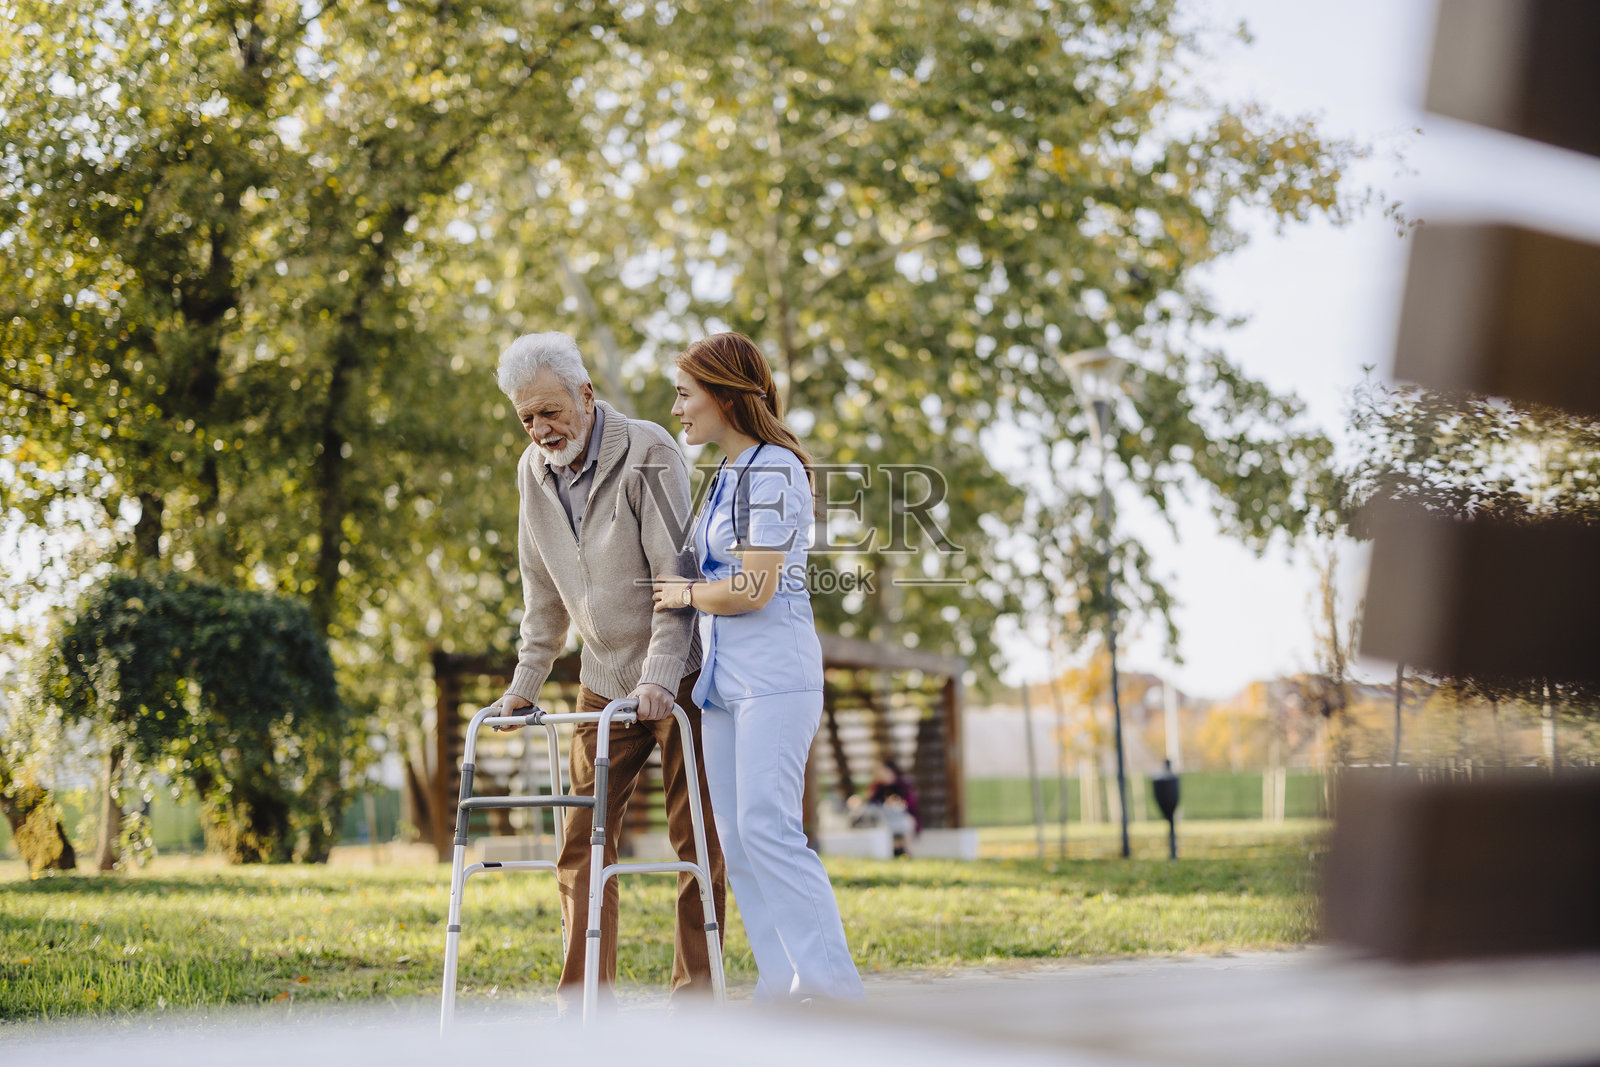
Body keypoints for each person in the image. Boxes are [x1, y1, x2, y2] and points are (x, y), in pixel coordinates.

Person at [486, 331, 725, 1006]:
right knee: (582, 842)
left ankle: (697, 1000)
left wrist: (659, 673)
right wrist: (522, 686)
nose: (540, 428)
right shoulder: (532, 475)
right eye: (526, 416)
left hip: (677, 677)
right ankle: (584, 1002)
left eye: (551, 411)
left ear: (585, 395)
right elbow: (542, 598)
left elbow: (677, 577)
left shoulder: (649, 450)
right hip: (602, 680)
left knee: (694, 842)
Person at [651, 331, 864, 1002]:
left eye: (686, 394)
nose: (678, 407)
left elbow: (753, 589)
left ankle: (833, 990)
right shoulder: (725, 475)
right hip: (724, 684)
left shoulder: (772, 468)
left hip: (775, 677)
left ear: (721, 394)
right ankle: (782, 983)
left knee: (770, 828)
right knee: (737, 840)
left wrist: (684, 592)